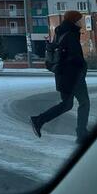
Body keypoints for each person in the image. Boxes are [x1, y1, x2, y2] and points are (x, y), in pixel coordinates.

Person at [30, 10, 90, 144]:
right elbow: (74, 57)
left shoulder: (61, 32)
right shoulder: (70, 35)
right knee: (83, 103)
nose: (81, 22)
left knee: (67, 104)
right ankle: (81, 134)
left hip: (64, 76)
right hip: (73, 77)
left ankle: (39, 120)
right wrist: (83, 67)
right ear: (74, 20)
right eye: (80, 19)